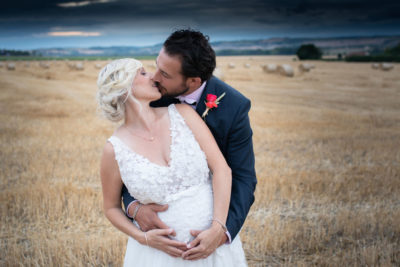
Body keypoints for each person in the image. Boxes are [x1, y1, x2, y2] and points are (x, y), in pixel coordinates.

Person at [121, 29, 257, 260]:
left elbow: (243, 178)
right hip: (159, 238)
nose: (154, 77)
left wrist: (220, 231)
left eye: (164, 73)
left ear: (193, 81)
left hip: (207, 223)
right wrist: (134, 206)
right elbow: (131, 160)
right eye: (156, 65)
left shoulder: (234, 107)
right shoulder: (151, 97)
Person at [97, 58, 247, 266]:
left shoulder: (183, 114)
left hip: (213, 250)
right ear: (123, 89)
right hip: (157, 257)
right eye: (142, 73)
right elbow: (111, 207)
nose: (153, 76)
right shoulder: (113, 149)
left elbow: (222, 169)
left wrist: (218, 227)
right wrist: (143, 238)